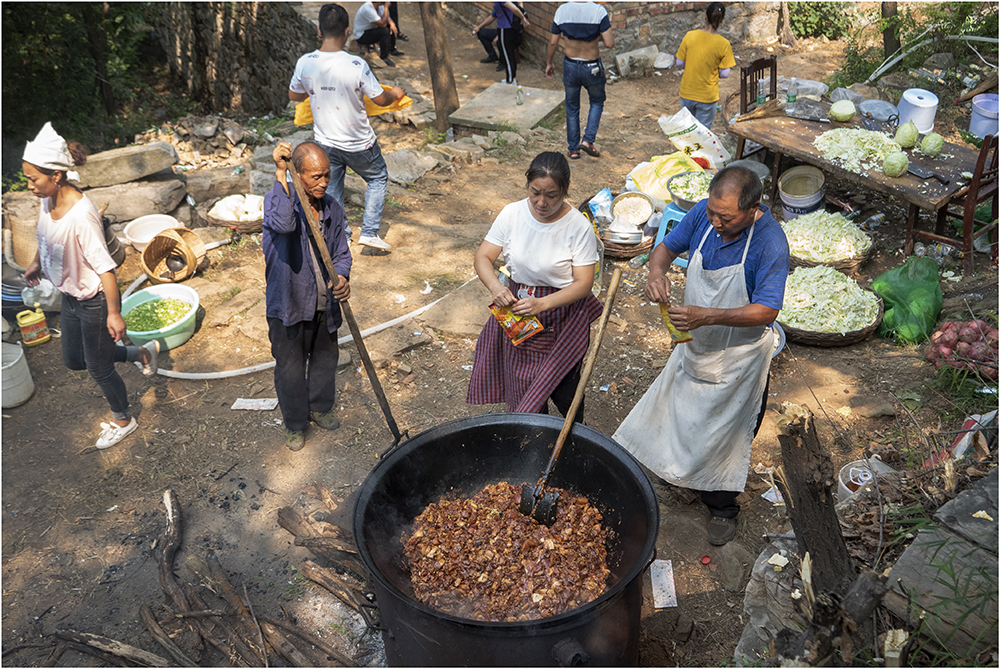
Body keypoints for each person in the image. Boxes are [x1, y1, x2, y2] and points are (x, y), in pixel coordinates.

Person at [613, 166, 789, 546]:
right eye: (711, 212)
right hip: (695, 346)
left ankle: (722, 507)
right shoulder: (703, 214)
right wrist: (656, 273)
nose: (715, 221)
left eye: (725, 217)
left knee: (726, 435)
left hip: (740, 360)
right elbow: (665, 249)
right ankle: (683, 476)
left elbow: (767, 311)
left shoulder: (770, 243)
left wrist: (707, 314)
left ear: (753, 208)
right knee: (683, 414)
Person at [21, 122, 158, 450]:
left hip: (94, 301)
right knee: (74, 359)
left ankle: (124, 418)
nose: (29, 185)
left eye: (33, 179)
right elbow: (44, 235)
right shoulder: (47, 199)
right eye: (26, 178)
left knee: (98, 366)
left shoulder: (82, 216)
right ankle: (139, 353)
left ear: (56, 175)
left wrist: (114, 313)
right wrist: (37, 263)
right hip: (69, 297)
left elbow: (106, 270)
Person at [467, 152, 603, 420]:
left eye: (551, 195)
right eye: (535, 192)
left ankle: (573, 435)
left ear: (564, 190)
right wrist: (496, 288)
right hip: (518, 309)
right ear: (528, 185)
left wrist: (543, 304)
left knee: (565, 387)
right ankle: (531, 434)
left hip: (563, 312)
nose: (542, 202)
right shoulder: (512, 214)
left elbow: (584, 283)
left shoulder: (577, 227)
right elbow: (483, 257)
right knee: (522, 381)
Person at [290, 3, 405, 252]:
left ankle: (341, 233)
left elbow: (295, 95)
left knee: (332, 188)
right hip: (359, 142)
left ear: (319, 30)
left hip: (325, 142)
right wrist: (394, 94)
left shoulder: (305, 63)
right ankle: (370, 231)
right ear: (347, 31)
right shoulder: (356, 65)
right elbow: (379, 100)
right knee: (377, 177)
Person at [263, 140, 352, 451]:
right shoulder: (280, 201)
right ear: (297, 174)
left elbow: (342, 253)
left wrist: (341, 276)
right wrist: (279, 172)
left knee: (326, 359)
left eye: (327, 175)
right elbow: (284, 225)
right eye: (315, 176)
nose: (324, 182)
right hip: (289, 303)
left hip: (323, 303)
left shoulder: (332, 209)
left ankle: (319, 407)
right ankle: (295, 423)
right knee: (289, 367)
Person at [545, 2, 614, 160]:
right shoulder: (598, 11)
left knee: (572, 107)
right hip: (592, 66)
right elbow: (610, 43)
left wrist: (549, 62)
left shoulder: (562, 10)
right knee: (596, 102)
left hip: (570, 66)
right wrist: (597, 37)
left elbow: (553, 42)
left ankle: (573, 149)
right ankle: (588, 140)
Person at [675, 2, 735, 130]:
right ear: (722, 20)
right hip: (707, 97)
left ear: (705, 17)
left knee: (686, 129)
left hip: (687, 92)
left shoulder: (690, 36)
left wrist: (692, 63)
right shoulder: (724, 44)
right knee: (702, 133)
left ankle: (687, 150)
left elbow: (679, 63)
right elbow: (725, 73)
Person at [473, 2, 529, 85]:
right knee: (510, 54)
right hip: (509, 29)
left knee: (507, 55)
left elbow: (515, 9)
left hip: (505, 29)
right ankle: (511, 78)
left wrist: (523, 19)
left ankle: (509, 81)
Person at [354, 0, 403, 67]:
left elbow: (386, 17)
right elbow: (382, 24)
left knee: (389, 26)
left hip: (370, 30)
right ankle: (384, 57)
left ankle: (392, 49)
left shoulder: (379, 5)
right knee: (384, 31)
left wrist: (392, 23)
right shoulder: (368, 9)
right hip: (362, 36)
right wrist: (386, 8)